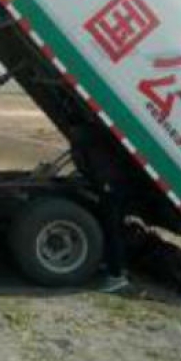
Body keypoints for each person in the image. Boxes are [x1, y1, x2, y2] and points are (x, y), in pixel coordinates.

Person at [70, 123, 133, 294]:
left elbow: (100, 169)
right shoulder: (98, 140)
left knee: (112, 230)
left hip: (111, 188)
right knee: (115, 230)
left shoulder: (89, 145)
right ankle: (118, 269)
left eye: (74, 131)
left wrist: (104, 185)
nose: (72, 133)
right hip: (117, 186)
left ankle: (117, 275)